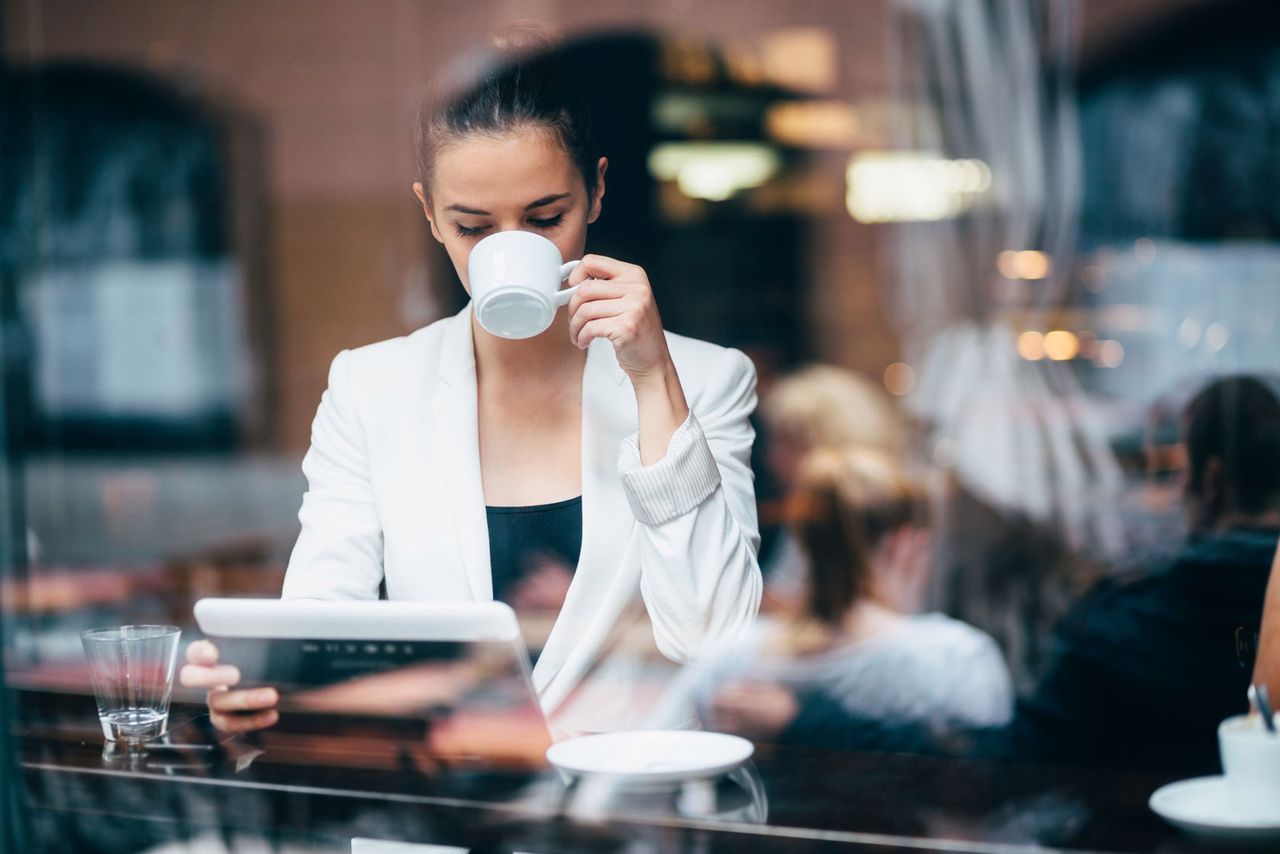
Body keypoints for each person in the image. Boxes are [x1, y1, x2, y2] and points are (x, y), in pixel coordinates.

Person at [180, 44, 762, 734]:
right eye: (473, 228)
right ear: (430, 215)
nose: (511, 251)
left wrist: (651, 376)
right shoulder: (372, 389)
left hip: (627, 816)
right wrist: (263, 693)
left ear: (598, 191)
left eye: (546, 218)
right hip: (437, 813)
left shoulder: (704, 380)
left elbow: (714, 641)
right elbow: (323, 628)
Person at [749, 374, 1280, 773]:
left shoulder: (1130, 630)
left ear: (1209, 482)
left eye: (1174, 470)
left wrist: (805, 723)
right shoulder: (1119, 620)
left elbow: (1005, 769)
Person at [681, 446, 1013, 746]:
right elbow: (989, 786)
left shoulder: (730, 658)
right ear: (908, 544)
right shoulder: (955, 660)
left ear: (803, 542)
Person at [756, 365, 907, 612]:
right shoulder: (806, 507)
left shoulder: (862, 512)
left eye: (788, 443)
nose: (773, 458)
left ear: (828, 442)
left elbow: (840, 606)